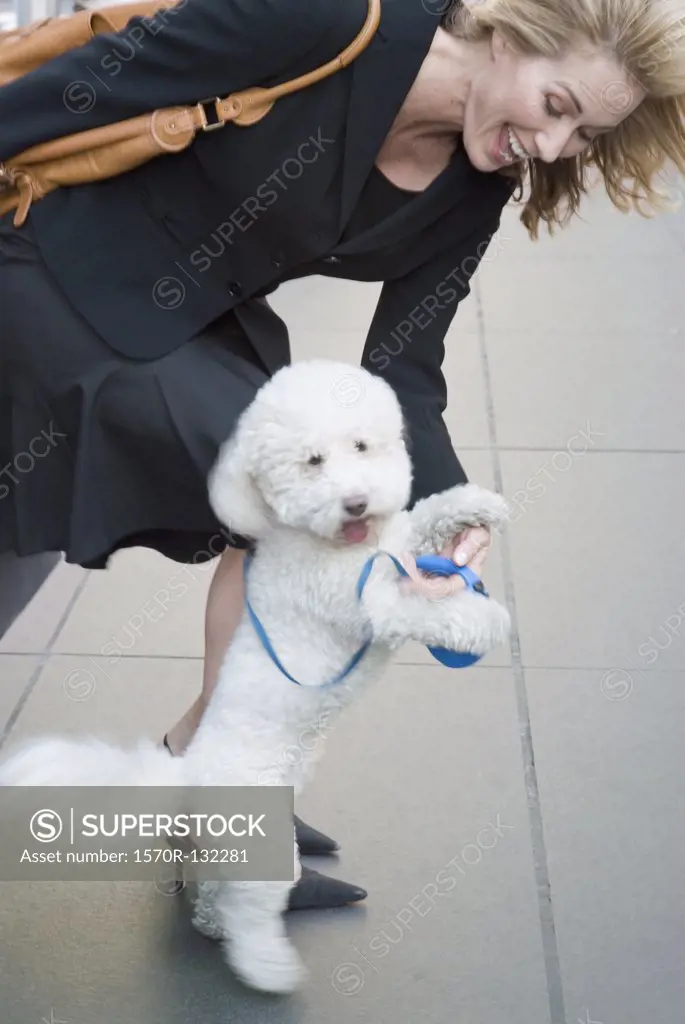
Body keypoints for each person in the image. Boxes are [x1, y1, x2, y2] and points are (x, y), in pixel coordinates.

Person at [1, 0, 684, 909]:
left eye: (582, 132)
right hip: (52, 266)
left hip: (185, 316)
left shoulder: (474, 181)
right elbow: (81, 91)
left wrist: (443, 520)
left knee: (338, 520)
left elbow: (404, 368)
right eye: (555, 104)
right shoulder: (322, 19)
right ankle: (219, 826)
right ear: (509, 35)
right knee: (315, 517)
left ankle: (217, 803)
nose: (556, 146)